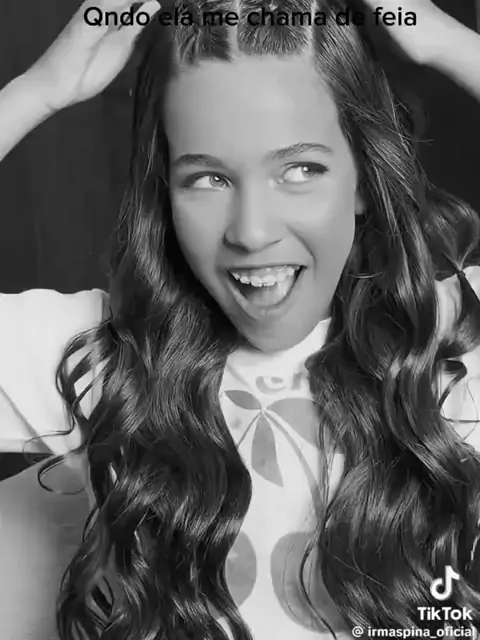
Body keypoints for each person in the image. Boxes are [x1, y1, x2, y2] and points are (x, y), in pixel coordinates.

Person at [1, 0, 480, 638]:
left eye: (301, 169)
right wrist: (40, 90)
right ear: (165, 194)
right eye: (207, 179)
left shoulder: (447, 338)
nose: (251, 232)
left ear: (364, 180)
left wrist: (443, 42)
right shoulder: (105, 356)